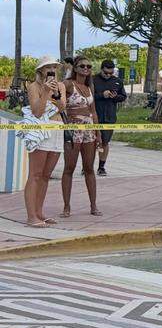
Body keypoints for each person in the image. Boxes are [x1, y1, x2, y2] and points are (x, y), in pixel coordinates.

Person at [21, 57, 66, 228]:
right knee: (35, 174)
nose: (51, 69)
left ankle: (39, 212)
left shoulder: (60, 85)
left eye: (54, 67)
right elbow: (37, 112)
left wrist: (56, 94)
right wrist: (46, 92)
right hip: (40, 130)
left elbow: (62, 108)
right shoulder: (34, 86)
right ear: (41, 70)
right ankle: (31, 215)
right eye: (48, 67)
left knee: (46, 175)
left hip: (57, 128)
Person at [61, 55, 101, 218]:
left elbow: (93, 111)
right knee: (69, 168)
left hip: (89, 130)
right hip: (73, 129)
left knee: (89, 168)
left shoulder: (89, 86)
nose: (86, 69)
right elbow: (58, 101)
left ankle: (93, 205)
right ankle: (66, 206)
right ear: (75, 68)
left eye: (89, 66)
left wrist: (98, 133)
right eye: (83, 66)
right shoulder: (68, 84)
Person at [93, 59, 126, 176]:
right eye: (105, 73)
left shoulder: (117, 81)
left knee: (104, 143)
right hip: (94, 116)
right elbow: (88, 96)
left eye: (110, 73)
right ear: (101, 69)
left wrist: (115, 97)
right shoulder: (93, 80)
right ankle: (86, 165)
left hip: (109, 117)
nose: (108, 75)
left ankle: (101, 166)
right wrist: (102, 95)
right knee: (91, 143)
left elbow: (123, 96)